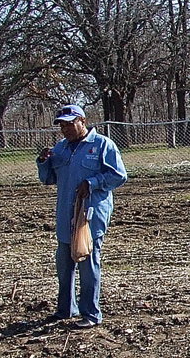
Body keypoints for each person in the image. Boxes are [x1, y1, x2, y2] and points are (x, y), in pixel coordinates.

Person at [36, 105, 128, 327]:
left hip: (89, 216)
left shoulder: (102, 145)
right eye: (62, 125)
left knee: (88, 263)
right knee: (64, 263)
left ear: (83, 121)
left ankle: (90, 313)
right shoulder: (61, 149)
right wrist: (43, 162)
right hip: (65, 215)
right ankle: (66, 309)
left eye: (70, 123)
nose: (66, 129)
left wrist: (93, 182)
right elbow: (48, 179)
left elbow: (119, 176)